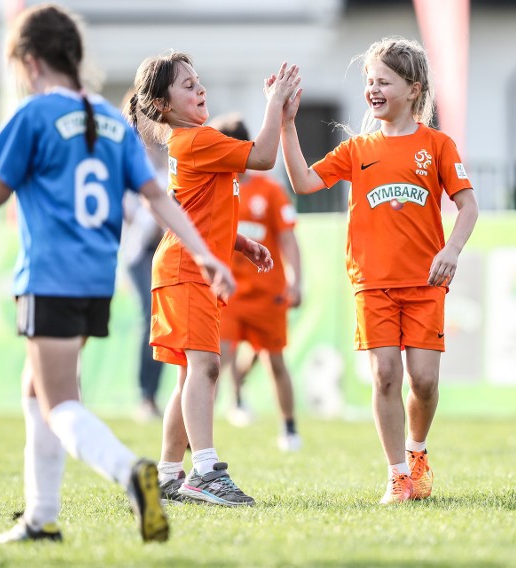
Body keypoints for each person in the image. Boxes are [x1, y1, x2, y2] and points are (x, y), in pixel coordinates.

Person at [0, 3, 234, 543]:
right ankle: (41, 517)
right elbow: (158, 197)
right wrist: (205, 252)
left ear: (30, 61)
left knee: (59, 403)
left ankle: (132, 473)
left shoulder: (35, 114)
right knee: (36, 391)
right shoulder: (110, 119)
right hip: (93, 280)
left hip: (48, 278)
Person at [280, 37, 479, 503]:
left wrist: (450, 250)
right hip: (372, 283)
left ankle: (417, 452)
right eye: (369, 81)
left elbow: (468, 207)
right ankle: (396, 476)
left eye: (384, 81)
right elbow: (305, 182)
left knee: (424, 380)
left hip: (426, 281)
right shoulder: (358, 149)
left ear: (413, 89)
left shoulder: (437, 145)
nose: (373, 88)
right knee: (386, 375)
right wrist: (288, 125)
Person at [125, 51, 299, 506]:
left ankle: (167, 475)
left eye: (198, 81)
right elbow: (262, 156)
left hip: (182, 265)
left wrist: (238, 242)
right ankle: (205, 471)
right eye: (187, 85)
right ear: (162, 106)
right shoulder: (198, 139)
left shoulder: (192, 142)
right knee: (206, 367)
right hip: (186, 270)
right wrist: (275, 104)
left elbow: (196, 211)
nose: (199, 88)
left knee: (190, 374)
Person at [209, 114, 304, 451]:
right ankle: (201, 436)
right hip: (227, 292)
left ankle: (290, 429)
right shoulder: (215, 189)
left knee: (274, 360)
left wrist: (296, 280)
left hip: (266, 293)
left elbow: (288, 239)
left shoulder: (270, 191)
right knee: (214, 361)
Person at [122, 140, 167, 421]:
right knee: (150, 314)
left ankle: (152, 394)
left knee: (162, 321)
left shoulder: (169, 153)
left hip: (162, 250)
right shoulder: (131, 156)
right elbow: (127, 208)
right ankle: (145, 394)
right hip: (139, 252)